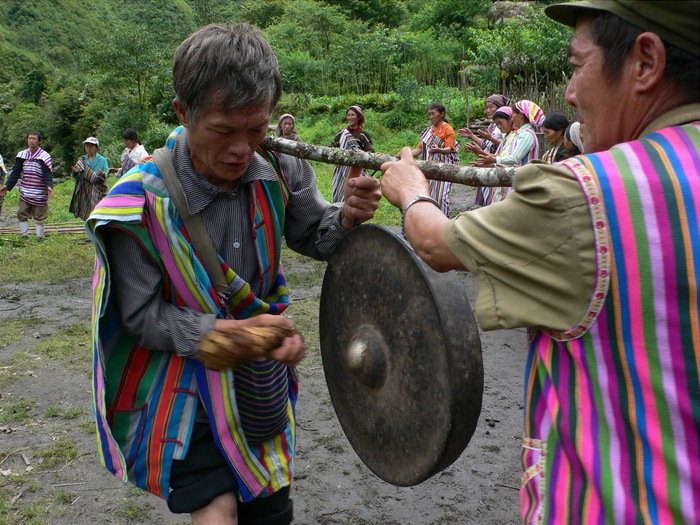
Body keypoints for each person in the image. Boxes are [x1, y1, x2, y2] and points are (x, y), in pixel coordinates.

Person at [380, 1, 699, 523]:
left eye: (576, 66)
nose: (570, 93)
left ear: (645, 61)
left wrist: (410, 191)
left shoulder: (588, 196)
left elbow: (437, 245)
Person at [86, 23, 380, 525]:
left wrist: (347, 216)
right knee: (215, 507)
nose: (242, 149)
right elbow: (141, 316)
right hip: (185, 392)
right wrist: (236, 336)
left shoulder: (278, 166)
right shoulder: (139, 205)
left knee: (270, 509)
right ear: (184, 112)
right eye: (224, 131)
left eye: (256, 129)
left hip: (260, 385)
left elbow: (314, 234)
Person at [0, 131, 53, 241]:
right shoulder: (22, 155)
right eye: (30, 138)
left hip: (39, 192)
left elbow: (47, 173)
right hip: (25, 190)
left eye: (34, 139)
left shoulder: (44, 156)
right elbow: (15, 172)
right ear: (27, 140)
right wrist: (7, 186)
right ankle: (24, 236)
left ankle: (39, 237)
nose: (32, 141)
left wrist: (49, 186)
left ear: (39, 141)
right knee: (22, 214)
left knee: (40, 216)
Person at [459, 94, 511, 206]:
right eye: (486, 107)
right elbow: (486, 144)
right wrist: (471, 136)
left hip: (497, 165)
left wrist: (490, 138)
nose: (488, 110)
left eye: (491, 107)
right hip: (488, 163)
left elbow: (507, 144)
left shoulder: (504, 126)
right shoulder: (492, 125)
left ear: (500, 107)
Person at [411, 102, 459, 215]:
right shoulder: (429, 131)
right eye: (429, 114)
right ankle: (430, 219)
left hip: (444, 168)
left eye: (433, 114)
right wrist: (403, 154)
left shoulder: (448, 129)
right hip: (428, 168)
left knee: (442, 197)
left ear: (441, 114)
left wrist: (439, 150)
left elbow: (449, 148)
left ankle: (443, 221)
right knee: (428, 195)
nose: (431, 117)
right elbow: (419, 150)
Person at [330, 105, 373, 202]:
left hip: (357, 171)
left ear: (359, 117)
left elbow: (370, 151)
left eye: (353, 115)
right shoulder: (341, 134)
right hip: (341, 173)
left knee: (356, 197)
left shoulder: (363, 135)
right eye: (348, 115)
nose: (350, 117)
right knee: (341, 196)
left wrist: (358, 155)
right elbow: (331, 149)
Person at [69, 137, 109, 220]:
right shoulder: (82, 159)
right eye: (87, 146)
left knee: (97, 209)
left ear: (96, 148)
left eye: (91, 146)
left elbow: (106, 173)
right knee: (86, 209)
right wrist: (76, 172)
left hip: (98, 189)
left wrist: (102, 174)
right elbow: (77, 175)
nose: (88, 148)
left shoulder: (102, 160)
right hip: (85, 189)